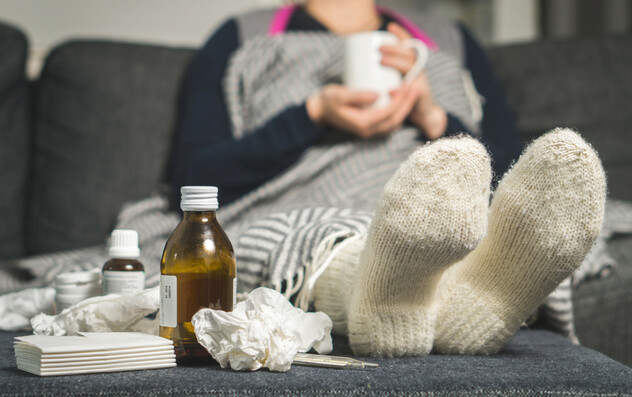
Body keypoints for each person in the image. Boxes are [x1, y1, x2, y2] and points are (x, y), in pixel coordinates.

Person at [170, 0, 606, 357]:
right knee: (328, 229)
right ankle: (419, 300)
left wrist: (434, 118)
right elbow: (193, 177)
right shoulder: (241, 37)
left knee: (455, 221)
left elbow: (514, 169)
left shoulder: (451, 40)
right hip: (304, 195)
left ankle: (445, 305)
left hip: (442, 199)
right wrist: (313, 115)